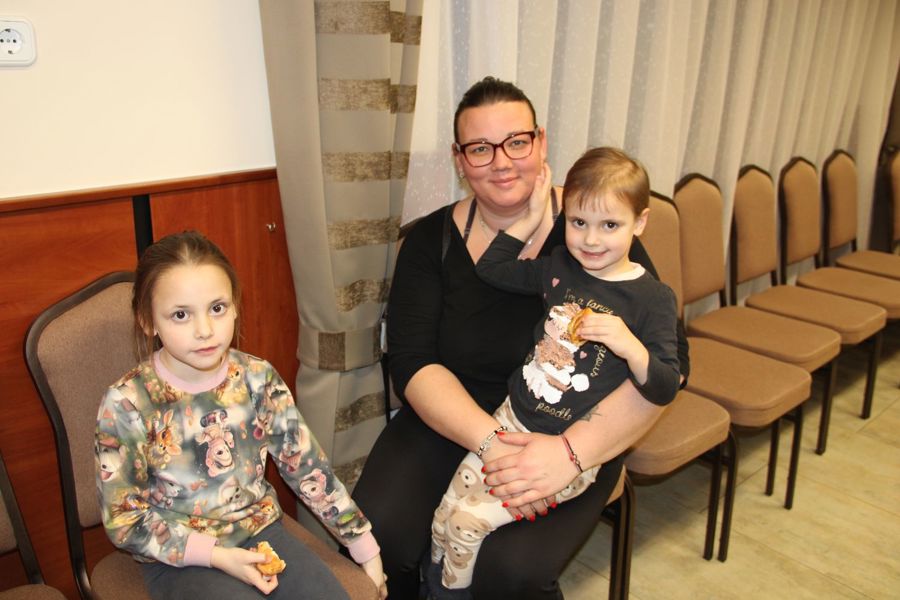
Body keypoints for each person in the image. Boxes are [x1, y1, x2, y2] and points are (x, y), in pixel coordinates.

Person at [352, 76, 689, 600]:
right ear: (459, 160)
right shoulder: (430, 241)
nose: (502, 162)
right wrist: (493, 444)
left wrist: (569, 454)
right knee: (383, 533)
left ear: (541, 142)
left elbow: (668, 367)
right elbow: (412, 361)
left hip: (568, 430)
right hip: (454, 418)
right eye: (480, 149)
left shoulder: (597, 226)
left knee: (509, 570)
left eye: (516, 142)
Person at [426, 147, 680, 598]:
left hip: (563, 452)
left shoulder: (652, 299)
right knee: (444, 515)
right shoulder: (562, 266)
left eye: (610, 225)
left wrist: (631, 346)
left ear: (640, 223)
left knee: (466, 524)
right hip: (509, 421)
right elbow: (492, 268)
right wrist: (532, 215)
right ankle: (435, 588)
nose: (591, 240)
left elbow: (664, 386)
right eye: (579, 222)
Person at [94, 231, 388, 600]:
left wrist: (364, 547)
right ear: (147, 320)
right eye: (181, 315)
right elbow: (123, 518)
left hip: (260, 530)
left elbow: (307, 466)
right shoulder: (127, 403)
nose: (205, 331)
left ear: (235, 306)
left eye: (217, 308)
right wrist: (216, 556)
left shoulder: (257, 378)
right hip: (178, 556)